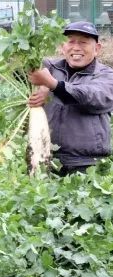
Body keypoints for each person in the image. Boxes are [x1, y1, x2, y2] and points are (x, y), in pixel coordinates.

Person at [27, 21, 113, 175]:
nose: (76, 47)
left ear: (97, 49)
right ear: (62, 46)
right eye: (71, 41)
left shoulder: (106, 75)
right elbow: (26, 68)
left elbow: (92, 96)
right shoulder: (51, 67)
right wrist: (43, 85)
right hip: (46, 159)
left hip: (86, 164)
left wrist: (52, 84)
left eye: (83, 42)